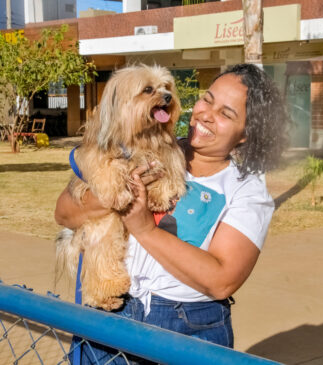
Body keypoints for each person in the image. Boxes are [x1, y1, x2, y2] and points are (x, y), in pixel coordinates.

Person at [55, 63, 289, 364]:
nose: (205, 114)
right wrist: (118, 195)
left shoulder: (247, 190)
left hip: (186, 327)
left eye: (225, 114)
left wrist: (144, 229)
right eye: (207, 99)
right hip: (111, 316)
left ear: (245, 135)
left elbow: (222, 280)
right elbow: (64, 213)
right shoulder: (145, 147)